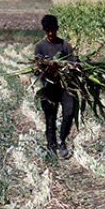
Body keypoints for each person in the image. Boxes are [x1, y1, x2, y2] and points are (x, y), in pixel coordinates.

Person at [34, 14, 78, 159]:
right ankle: (51, 146)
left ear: (57, 28)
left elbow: (73, 65)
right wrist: (47, 69)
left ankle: (62, 141)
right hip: (48, 87)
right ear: (44, 30)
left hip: (65, 87)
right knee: (50, 118)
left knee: (69, 113)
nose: (51, 33)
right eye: (48, 30)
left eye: (53, 29)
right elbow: (37, 68)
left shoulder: (65, 46)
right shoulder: (40, 47)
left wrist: (65, 67)